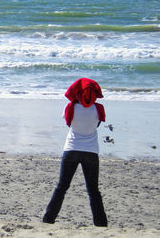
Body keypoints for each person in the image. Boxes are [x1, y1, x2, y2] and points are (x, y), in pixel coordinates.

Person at [42, 78, 108, 227]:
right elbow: (96, 125)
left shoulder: (70, 108)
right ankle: (101, 223)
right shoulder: (98, 109)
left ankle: (48, 220)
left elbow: (68, 123)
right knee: (93, 190)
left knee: (62, 187)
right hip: (91, 151)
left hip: (71, 148)